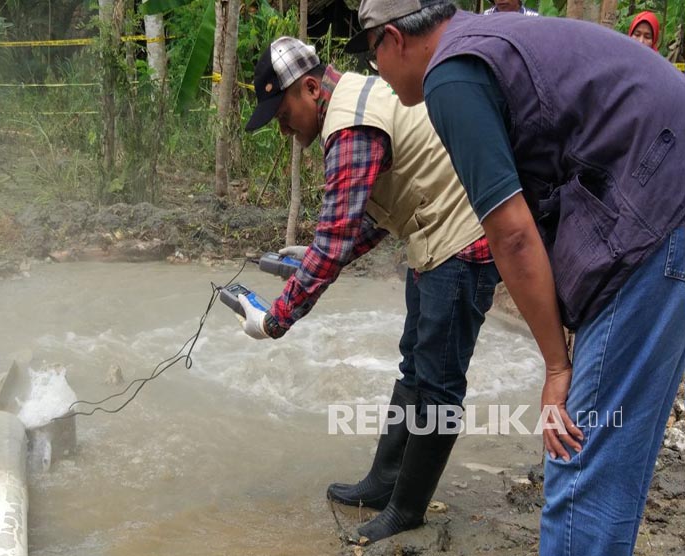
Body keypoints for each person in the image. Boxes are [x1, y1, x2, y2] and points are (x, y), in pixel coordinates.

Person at [345, 0, 685, 553]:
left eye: (373, 54)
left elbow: (513, 234)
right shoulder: (487, 38)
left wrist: (556, 365)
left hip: (656, 205)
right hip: (659, 196)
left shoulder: (450, 76)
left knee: (580, 461)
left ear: (393, 39)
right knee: (610, 458)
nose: (376, 71)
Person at [238, 36, 500, 526]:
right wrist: (312, 255)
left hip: (461, 241)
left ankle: (407, 509)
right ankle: (385, 482)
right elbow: (371, 220)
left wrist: (274, 320)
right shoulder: (357, 95)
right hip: (433, 235)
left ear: (311, 88)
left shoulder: (349, 126)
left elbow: (336, 241)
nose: (284, 128)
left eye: (282, 114)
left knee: (439, 386)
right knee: (415, 369)